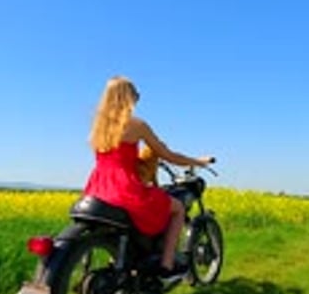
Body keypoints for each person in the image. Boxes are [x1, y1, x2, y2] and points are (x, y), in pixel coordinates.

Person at [84, 76, 214, 280]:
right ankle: (167, 265)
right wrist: (198, 162)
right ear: (128, 97)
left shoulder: (98, 128)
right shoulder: (136, 124)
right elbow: (168, 155)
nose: (137, 99)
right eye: (135, 95)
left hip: (98, 187)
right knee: (178, 209)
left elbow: (117, 158)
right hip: (124, 188)